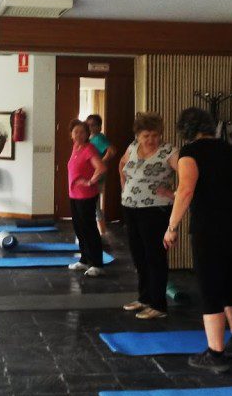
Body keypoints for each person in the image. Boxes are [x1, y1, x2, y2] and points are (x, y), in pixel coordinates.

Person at [163, 107, 232, 373]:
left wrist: (171, 227)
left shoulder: (190, 153)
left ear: (185, 131)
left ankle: (215, 353)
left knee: (211, 288)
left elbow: (185, 190)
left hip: (211, 230)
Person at [119, 113, 177, 320]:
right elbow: (122, 164)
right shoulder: (132, 147)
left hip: (155, 209)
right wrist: (125, 188)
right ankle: (144, 298)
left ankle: (158, 304)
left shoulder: (169, 151)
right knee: (138, 255)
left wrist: (173, 194)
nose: (151, 139)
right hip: (131, 207)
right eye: (146, 136)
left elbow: (189, 176)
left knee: (155, 256)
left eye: (155, 135)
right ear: (138, 135)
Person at [67, 120, 107, 277]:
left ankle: (97, 264)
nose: (79, 135)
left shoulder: (89, 148)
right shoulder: (75, 147)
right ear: (71, 134)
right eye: (76, 132)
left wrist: (90, 181)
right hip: (74, 194)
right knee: (79, 228)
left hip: (86, 195)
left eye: (82, 132)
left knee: (89, 229)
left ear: (87, 134)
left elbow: (101, 167)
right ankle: (84, 259)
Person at [85, 114, 118, 236]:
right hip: (92, 173)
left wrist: (101, 162)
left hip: (97, 173)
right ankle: (99, 231)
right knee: (93, 203)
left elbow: (112, 150)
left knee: (95, 203)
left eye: (93, 125)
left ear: (99, 126)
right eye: (88, 125)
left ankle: (102, 232)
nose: (90, 127)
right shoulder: (90, 139)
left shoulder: (99, 138)